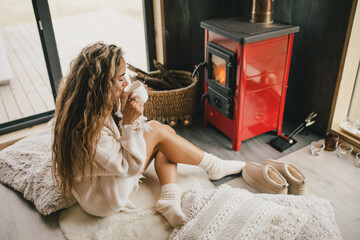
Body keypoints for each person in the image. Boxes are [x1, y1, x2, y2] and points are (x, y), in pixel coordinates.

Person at [52, 42, 245, 228]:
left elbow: (113, 137)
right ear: (102, 84)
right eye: (120, 78)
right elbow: (129, 166)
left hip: (102, 183)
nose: (126, 82)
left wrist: (122, 109)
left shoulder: (84, 106)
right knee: (158, 130)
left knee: (165, 137)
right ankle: (213, 165)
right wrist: (130, 122)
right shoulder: (88, 130)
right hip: (103, 198)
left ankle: (170, 198)